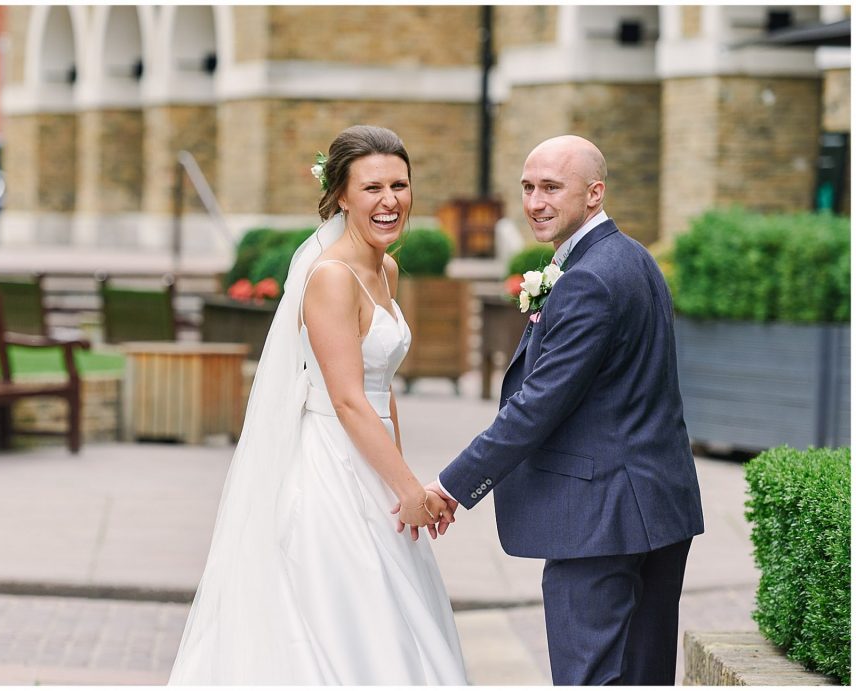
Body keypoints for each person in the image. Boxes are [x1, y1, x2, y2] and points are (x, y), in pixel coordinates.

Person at [168, 125, 466, 684]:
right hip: (333, 462)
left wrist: (402, 478)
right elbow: (348, 399)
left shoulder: (387, 269)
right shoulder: (330, 277)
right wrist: (408, 490)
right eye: (372, 187)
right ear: (342, 197)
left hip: (376, 461)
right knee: (342, 609)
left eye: (400, 185)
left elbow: (382, 385)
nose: (390, 201)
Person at [426, 135, 705, 685]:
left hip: (599, 517)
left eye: (552, 187)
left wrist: (451, 486)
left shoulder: (588, 280)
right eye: (528, 188)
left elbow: (536, 407)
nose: (535, 202)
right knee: (642, 678)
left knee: (589, 678)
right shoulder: (634, 258)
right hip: (655, 509)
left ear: (594, 194)